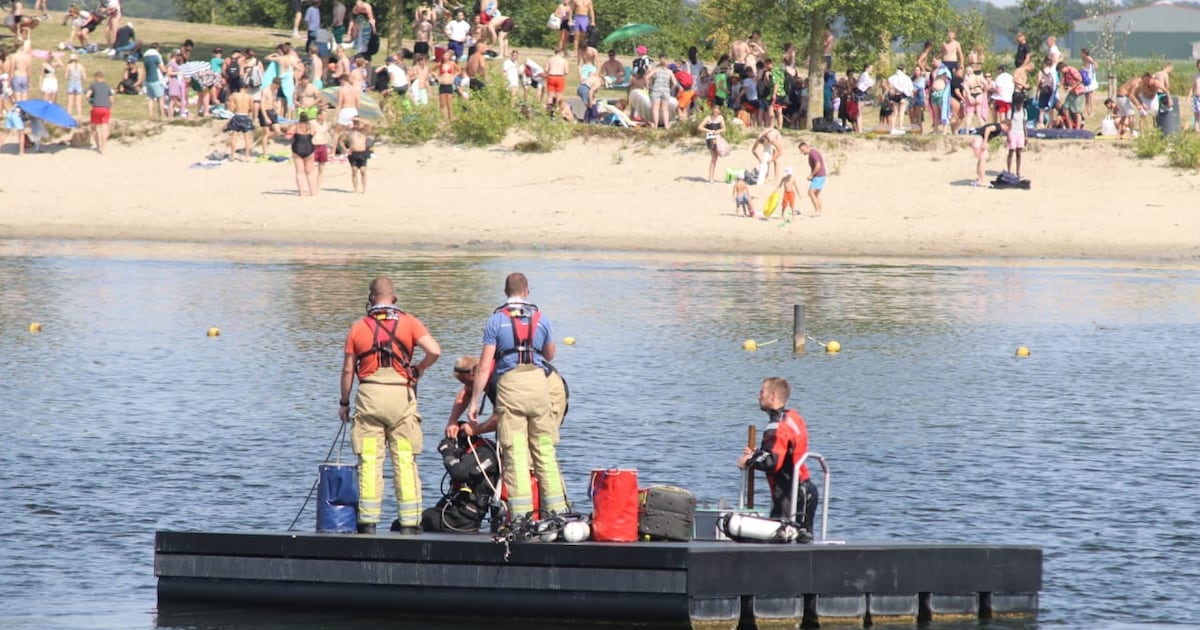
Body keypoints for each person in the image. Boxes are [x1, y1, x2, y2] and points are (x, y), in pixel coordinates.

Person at [340, 276, 441, 535]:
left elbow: (348, 370)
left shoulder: (358, 327)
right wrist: (419, 368)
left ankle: (368, 523)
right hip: (401, 396)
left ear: (370, 298)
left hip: (370, 396)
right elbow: (435, 350)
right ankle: (410, 523)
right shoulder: (409, 322)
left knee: (370, 461)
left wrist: (344, 403)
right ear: (394, 297)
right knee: (405, 460)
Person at [467, 273, 569, 523]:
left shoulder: (495, 321)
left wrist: (474, 403)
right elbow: (549, 354)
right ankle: (560, 513)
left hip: (511, 385)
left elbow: (484, 366)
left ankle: (522, 517)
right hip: (538, 383)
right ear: (526, 292)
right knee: (544, 449)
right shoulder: (541, 318)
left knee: (515, 453)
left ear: (506, 292)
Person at [737, 377, 819, 534]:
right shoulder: (794, 417)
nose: (758, 396)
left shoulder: (775, 426)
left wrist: (749, 461)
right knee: (802, 538)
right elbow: (785, 450)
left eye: (762, 392)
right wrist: (757, 454)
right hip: (806, 489)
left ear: (772, 396)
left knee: (784, 539)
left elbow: (773, 462)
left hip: (789, 494)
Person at [969, 119, 1007, 187]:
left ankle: (979, 179)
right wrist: (985, 141)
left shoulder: (996, 126)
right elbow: (988, 129)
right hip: (979, 138)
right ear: (1006, 125)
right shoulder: (998, 127)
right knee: (983, 159)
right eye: (1008, 129)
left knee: (981, 159)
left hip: (976, 137)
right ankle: (982, 181)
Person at [224, 83, 254, 160]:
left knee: (234, 136)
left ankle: (232, 155)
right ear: (246, 88)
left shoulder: (234, 95)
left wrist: (235, 110)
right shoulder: (249, 97)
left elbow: (231, 107)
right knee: (247, 137)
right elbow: (252, 108)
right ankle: (247, 156)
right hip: (245, 115)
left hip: (237, 115)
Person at [86, 71, 113, 154]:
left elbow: (87, 96)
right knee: (104, 128)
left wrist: (91, 101)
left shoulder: (93, 85)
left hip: (96, 108)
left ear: (96, 78)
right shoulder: (107, 86)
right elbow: (112, 100)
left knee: (93, 127)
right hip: (106, 108)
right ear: (103, 78)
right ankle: (104, 147)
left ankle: (98, 145)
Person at [292, 111, 318, 196]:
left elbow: (288, 135)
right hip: (308, 147)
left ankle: (301, 192)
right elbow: (314, 133)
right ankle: (313, 192)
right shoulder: (311, 126)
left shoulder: (295, 126)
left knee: (299, 172)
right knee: (310, 172)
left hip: (297, 147)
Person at [343, 118, 371, 193]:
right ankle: (355, 189)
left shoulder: (364, 130)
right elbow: (341, 140)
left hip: (362, 153)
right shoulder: (350, 131)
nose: (356, 125)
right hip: (353, 153)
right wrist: (345, 149)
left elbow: (368, 123)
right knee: (354, 171)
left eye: (357, 123)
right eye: (354, 123)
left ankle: (364, 189)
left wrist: (358, 119)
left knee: (363, 171)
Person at [798, 142, 825, 216]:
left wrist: (811, 175)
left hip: (819, 176)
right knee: (816, 194)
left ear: (807, 147)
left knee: (811, 193)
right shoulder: (812, 153)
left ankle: (817, 210)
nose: (802, 152)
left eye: (802, 150)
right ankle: (819, 210)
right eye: (801, 151)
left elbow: (818, 165)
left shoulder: (813, 153)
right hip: (820, 175)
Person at [703, 105, 726, 182]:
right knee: (714, 157)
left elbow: (724, 128)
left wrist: (719, 131)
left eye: (717, 111)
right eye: (714, 110)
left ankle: (711, 177)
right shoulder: (708, 118)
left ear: (719, 111)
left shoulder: (720, 118)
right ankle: (710, 177)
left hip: (717, 137)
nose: (715, 112)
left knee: (717, 156)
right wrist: (708, 130)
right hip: (710, 138)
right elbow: (700, 127)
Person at [570, 0, 594, 65]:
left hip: (585, 18)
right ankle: (575, 52)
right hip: (577, 17)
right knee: (576, 36)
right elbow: (571, 10)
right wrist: (570, 19)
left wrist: (593, 21)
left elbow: (591, 11)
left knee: (584, 36)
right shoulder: (575, 1)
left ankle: (583, 51)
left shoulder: (589, 1)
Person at [64, 54, 87, 119]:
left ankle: (68, 117)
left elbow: (66, 77)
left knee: (70, 103)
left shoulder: (69, 66)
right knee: (78, 103)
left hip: (71, 83)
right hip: (78, 83)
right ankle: (80, 117)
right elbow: (84, 77)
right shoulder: (81, 66)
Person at [1189, 60, 1200, 132]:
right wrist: (1189, 96)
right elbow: (1193, 87)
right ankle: (1197, 130)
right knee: (1196, 114)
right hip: (1196, 97)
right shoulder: (1195, 76)